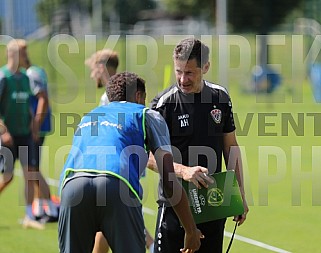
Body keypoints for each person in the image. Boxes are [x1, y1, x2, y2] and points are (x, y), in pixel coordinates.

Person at [58, 71, 203, 253]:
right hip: (116, 185)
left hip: (72, 186)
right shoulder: (146, 114)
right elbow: (169, 182)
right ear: (138, 96)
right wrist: (190, 230)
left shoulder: (90, 116)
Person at [148, 38, 249, 253]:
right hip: (175, 204)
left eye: (190, 73)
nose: (182, 79)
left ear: (206, 67)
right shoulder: (163, 104)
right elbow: (148, 157)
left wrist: (238, 192)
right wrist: (185, 172)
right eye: (178, 72)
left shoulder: (220, 97)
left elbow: (231, 147)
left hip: (213, 202)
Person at [85, 50, 155, 253]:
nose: (92, 76)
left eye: (93, 70)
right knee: (111, 218)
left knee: (115, 216)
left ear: (100, 68)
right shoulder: (118, 93)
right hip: (121, 165)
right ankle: (152, 246)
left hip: (118, 167)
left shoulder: (111, 98)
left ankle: (153, 246)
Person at [0, 39, 44, 229]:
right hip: (8, 136)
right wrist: (3, 131)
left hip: (25, 134)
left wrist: (33, 127)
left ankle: (29, 215)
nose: (25, 57)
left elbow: (27, 104)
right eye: (21, 53)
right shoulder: (3, 77)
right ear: (11, 54)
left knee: (29, 174)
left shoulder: (26, 77)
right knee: (7, 177)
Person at [16, 39, 58, 221]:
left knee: (32, 169)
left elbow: (43, 99)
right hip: (35, 128)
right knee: (32, 170)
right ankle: (41, 209)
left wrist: (35, 126)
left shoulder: (32, 73)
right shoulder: (30, 71)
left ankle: (52, 209)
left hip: (36, 129)